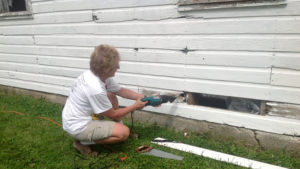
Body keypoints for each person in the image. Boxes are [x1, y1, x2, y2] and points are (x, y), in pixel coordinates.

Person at [62, 44, 147, 155]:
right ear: (106, 69)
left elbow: (121, 91)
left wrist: (144, 98)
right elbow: (113, 115)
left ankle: (116, 127)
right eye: (116, 65)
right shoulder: (94, 88)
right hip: (78, 126)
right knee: (123, 133)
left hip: (76, 117)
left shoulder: (96, 74)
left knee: (111, 95)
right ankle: (83, 142)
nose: (118, 68)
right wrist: (135, 106)